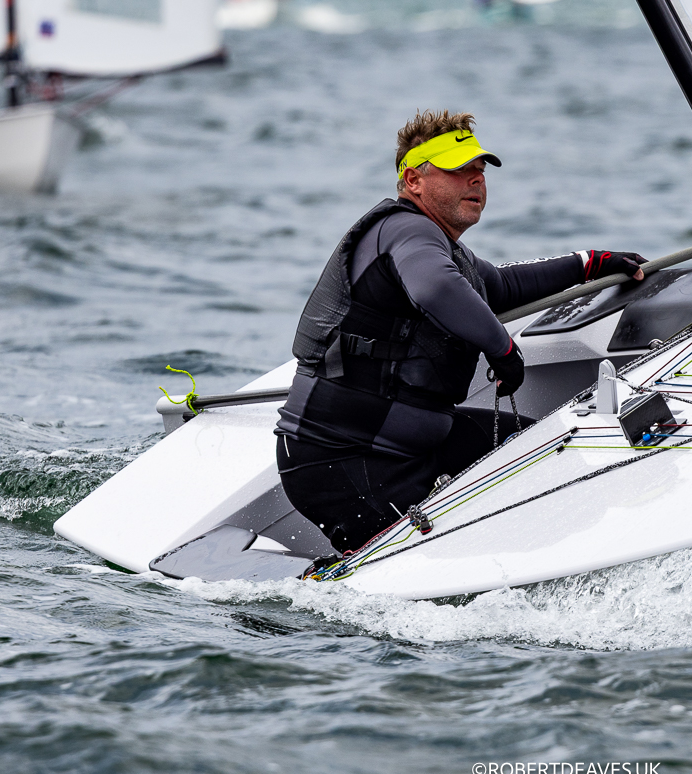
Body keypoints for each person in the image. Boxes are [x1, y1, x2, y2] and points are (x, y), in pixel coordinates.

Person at [275, 110, 647, 554]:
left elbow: (502, 285)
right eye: (458, 171)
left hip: (409, 448)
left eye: (479, 170)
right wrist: (501, 347)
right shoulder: (404, 230)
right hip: (347, 461)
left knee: (553, 454)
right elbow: (436, 287)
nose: (476, 180)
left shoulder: (440, 246)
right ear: (414, 180)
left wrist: (588, 263)